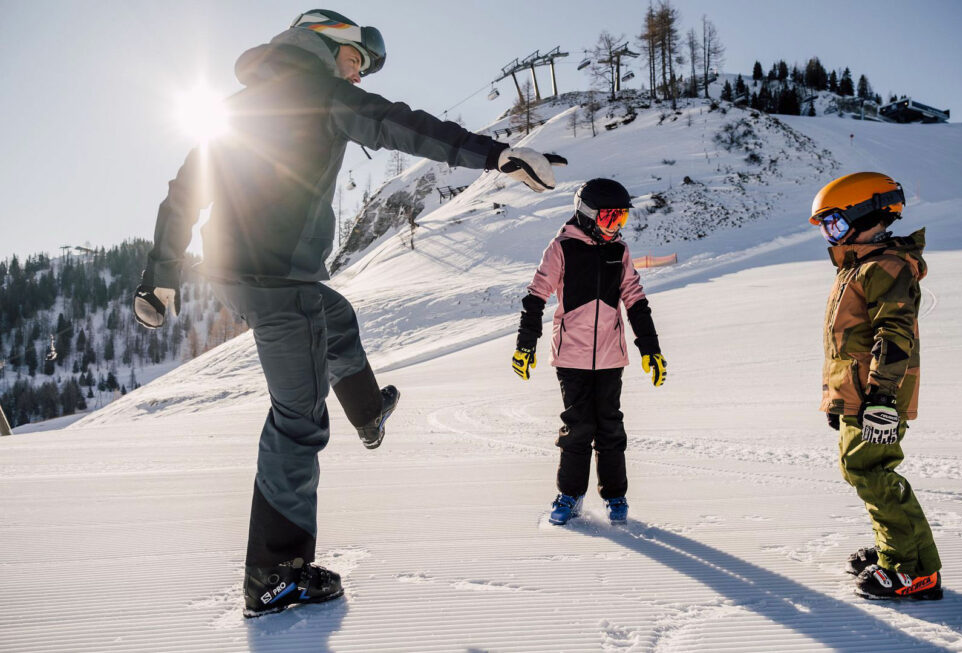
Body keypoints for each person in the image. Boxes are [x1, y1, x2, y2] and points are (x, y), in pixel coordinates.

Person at [132, 9, 566, 618]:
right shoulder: (322, 95)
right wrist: (496, 156)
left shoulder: (240, 103)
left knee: (335, 315)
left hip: (239, 279)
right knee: (298, 422)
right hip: (282, 283)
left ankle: (367, 412)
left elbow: (185, 192)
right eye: (357, 61)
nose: (358, 77)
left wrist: (160, 278)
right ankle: (274, 576)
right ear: (326, 45)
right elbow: (405, 127)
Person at [810, 171, 942, 600]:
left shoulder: (883, 266)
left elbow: (894, 332)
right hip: (859, 392)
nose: (829, 234)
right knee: (862, 470)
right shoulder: (859, 265)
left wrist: (882, 397)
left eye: (833, 222)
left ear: (862, 212)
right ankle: (898, 550)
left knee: (870, 471)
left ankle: (910, 570)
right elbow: (849, 342)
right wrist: (839, 400)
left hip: (877, 393)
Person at [511, 179, 666, 526]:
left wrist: (650, 349)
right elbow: (535, 296)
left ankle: (615, 496)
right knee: (578, 427)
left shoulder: (619, 252)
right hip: (571, 357)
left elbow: (636, 301)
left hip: (611, 356)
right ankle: (570, 494)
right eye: (611, 218)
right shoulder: (562, 248)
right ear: (587, 214)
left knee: (610, 426)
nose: (616, 228)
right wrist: (525, 344)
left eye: (621, 220)